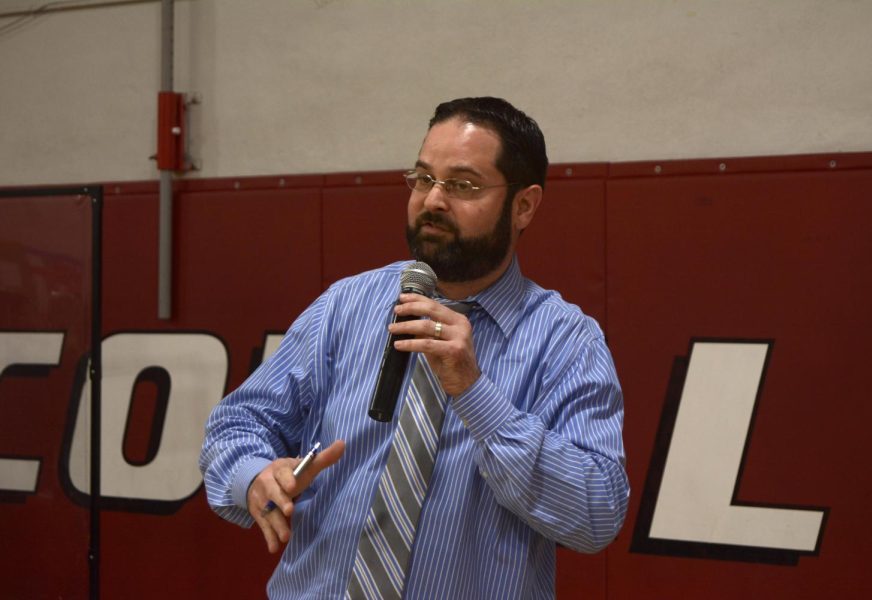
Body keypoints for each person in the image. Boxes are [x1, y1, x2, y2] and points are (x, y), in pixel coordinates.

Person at [199, 96, 629, 599]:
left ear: (524, 205)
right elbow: (236, 424)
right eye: (423, 179)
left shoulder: (566, 341)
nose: (433, 201)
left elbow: (597, 514)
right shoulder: (347, 304)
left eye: (463, 185)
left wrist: (475, 394)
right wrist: (253, 477)